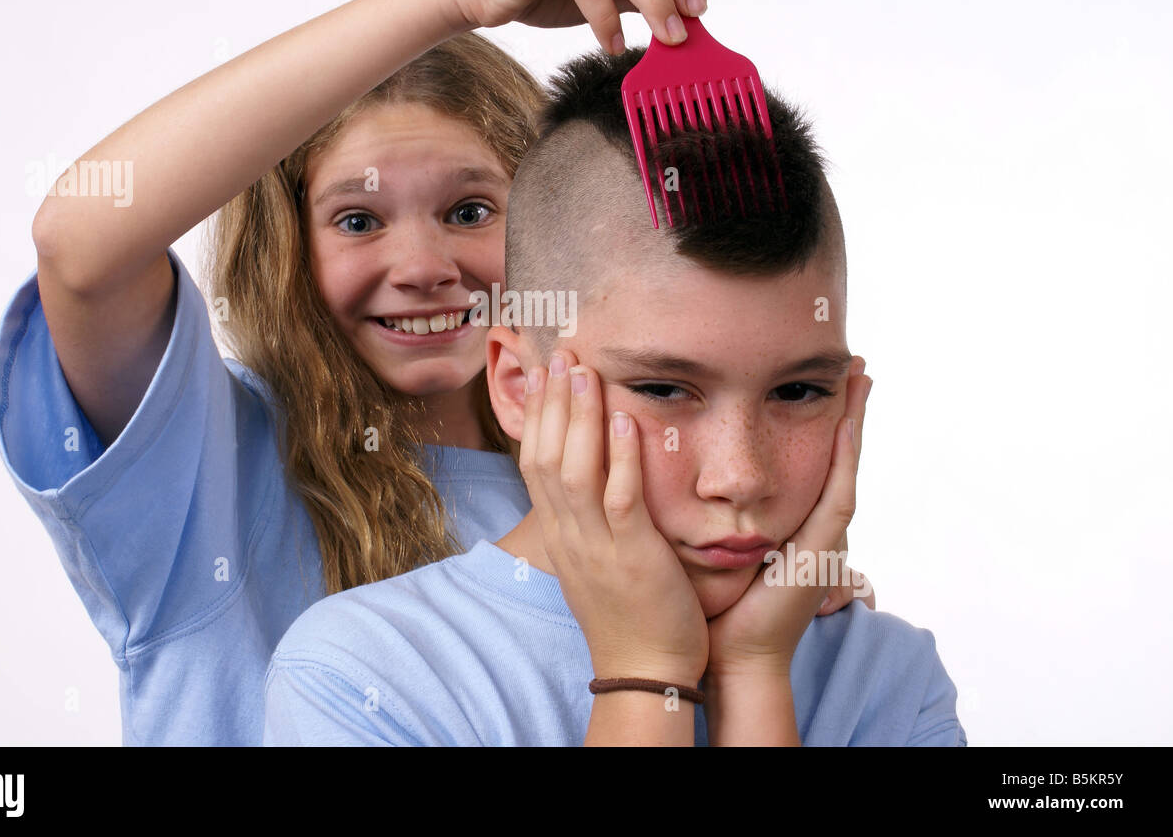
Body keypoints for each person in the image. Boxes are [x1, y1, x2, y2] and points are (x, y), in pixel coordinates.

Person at [0, 0, 792, 746]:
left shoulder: (622, 479)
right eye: (359, 221)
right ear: (289, 247)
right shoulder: (213, 474)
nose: (421, 268)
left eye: (470, 211)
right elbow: (79, 247)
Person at [262, 46, 963, 746]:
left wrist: (753, 674)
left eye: (800, 390)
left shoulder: (888, 679)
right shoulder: (358, 680)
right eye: (663, 388)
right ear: (517, 386)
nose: (740, 476)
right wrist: (645, 673)